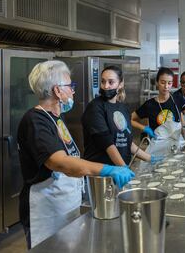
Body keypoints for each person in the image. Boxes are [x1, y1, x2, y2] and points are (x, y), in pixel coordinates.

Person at [17, 60, 135, 249]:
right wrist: (107, 169)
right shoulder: (35, 121)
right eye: (69, 86)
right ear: (57, 91)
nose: (73, 91)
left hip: (63, 203)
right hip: (46, 207)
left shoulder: (56, 118)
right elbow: (61, 162)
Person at [82, 65, 163, 166]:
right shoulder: (95, 108)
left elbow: (127, 142)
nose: (106, 86)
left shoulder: (123, 109)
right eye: (103, 81)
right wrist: (123, 168)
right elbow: (107, 144)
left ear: (120, 84)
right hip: (102, 173)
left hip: (120, 170)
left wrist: (149, 158)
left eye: (111, 82)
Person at [131, 67, 185, 138]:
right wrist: (144, 128)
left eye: (169, 83)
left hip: (175, 145)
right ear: (157, 82)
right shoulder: (149, 104)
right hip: (157, 145)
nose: (166, 86)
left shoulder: (178, 99)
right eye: (163, 82)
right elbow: (129, 118)